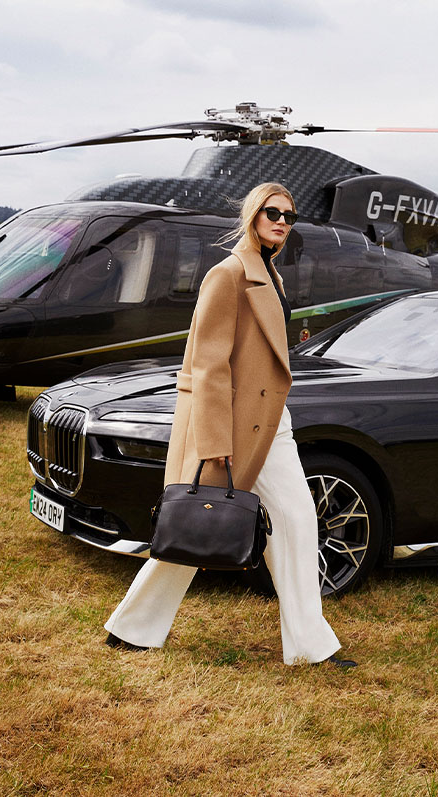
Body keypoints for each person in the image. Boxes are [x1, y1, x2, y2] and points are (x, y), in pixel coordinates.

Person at [104, 183, 356, 667]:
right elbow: (208, 364)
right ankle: (132, 628)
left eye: (289, 215)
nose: (282, 221)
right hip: (233, 425)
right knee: (197, 524)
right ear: (252, 216)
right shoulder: (229, 274)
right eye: (272, 212)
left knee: (298, 522)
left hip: (269, 422)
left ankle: (310, 646)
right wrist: (216, 438)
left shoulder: (269, 273)